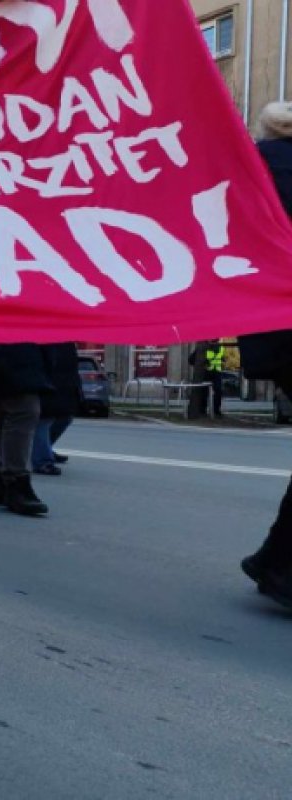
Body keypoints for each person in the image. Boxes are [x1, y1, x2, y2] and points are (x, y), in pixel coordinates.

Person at [238, 101, 292, 609]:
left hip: (271, 325)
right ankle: (277, 564)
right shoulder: (273, 167)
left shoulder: (250, 163)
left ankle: (276, 561)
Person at [0, 344, 49, 516]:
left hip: (1, 344)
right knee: (24, 409)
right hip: (12, 344)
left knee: (3, 414)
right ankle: (16, 483)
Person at [32, 343, 80, 476]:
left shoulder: (65, 340)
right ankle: (41, 459)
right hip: (48, 383)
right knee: (44, 420)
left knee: (65, 417)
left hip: (63, 384)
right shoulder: (46, 337)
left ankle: (43, 449)